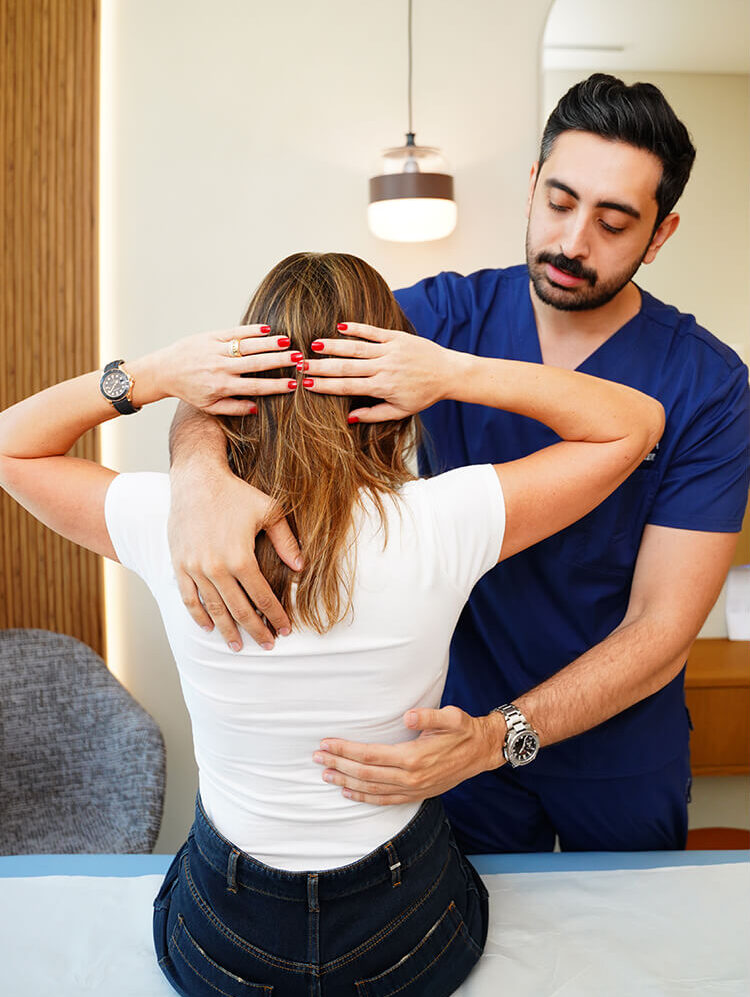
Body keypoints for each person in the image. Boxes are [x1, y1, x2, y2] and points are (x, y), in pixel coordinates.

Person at [0, 252, 663, 995]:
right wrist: (452, 372)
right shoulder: (444, 520)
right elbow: (635, 425)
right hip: (406, 928)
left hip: (228, 938)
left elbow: (10, 443)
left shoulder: (173, 524)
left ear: (236, 384)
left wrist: (156, 373)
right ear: (389, 383)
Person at [167, 74, 750, 854]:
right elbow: (227, 374)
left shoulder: (708, 383)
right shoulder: (440, 314)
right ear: (533, 184)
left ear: (661, 234)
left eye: (614, 223)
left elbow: (663, 626)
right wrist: (197, 475)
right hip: (448, 727)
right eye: (561, 201)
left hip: (617, 743)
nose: (575, 242)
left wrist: (456, 374)